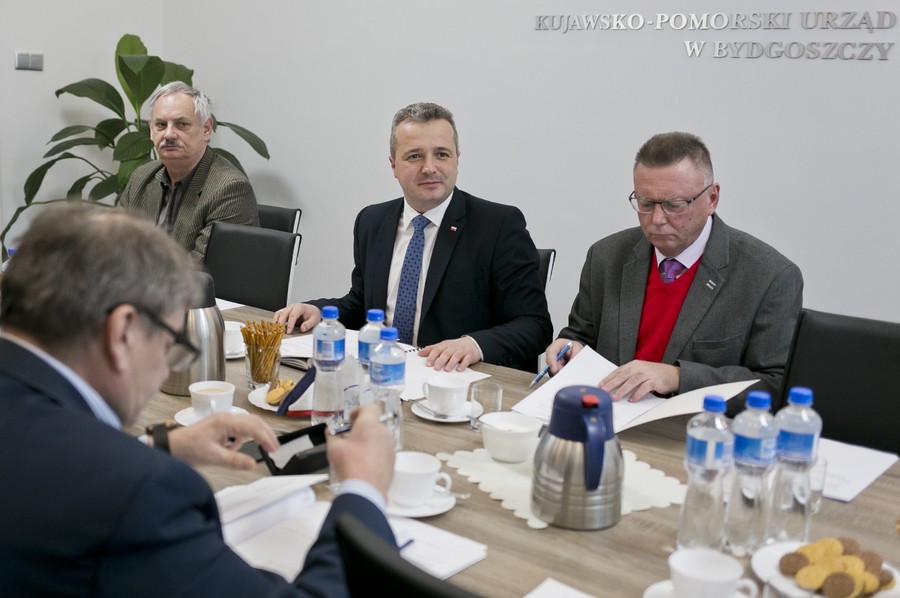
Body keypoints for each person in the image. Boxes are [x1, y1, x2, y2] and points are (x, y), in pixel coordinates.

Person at [0, 204, 396, 596]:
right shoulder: (137, 494)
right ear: (123, 333)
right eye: (170, 345)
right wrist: (363, 490)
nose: (164, 371)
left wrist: (157, 446)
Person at [274, 102, 552, 372]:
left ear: (457, 159)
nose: (429, 167)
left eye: (442, 154)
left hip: (451, 380)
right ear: (393, 165)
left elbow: (534, 325)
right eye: (414, 156)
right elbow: (361, 304)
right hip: (380, 373)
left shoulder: (499, 225)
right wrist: (319, 311)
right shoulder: (372, 221)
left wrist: (473, 345)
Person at [545, 132, 803, 409]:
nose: (657, 219)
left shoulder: (769, 276)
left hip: (697, 427)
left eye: (674, 205)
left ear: (712, 198)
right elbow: (580, 336)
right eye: (645, 203)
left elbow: (775, 385)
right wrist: (569, 348)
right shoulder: (606, 256)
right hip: (610, 417)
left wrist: (678, 377)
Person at [118, 81, 259, 265]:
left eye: (182, 124)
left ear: (206, 129)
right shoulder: (141, 177)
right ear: (151, 131)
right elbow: (113, 247)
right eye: (161, 124)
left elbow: (200, 272)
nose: (169, 134)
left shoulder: (229, 189)